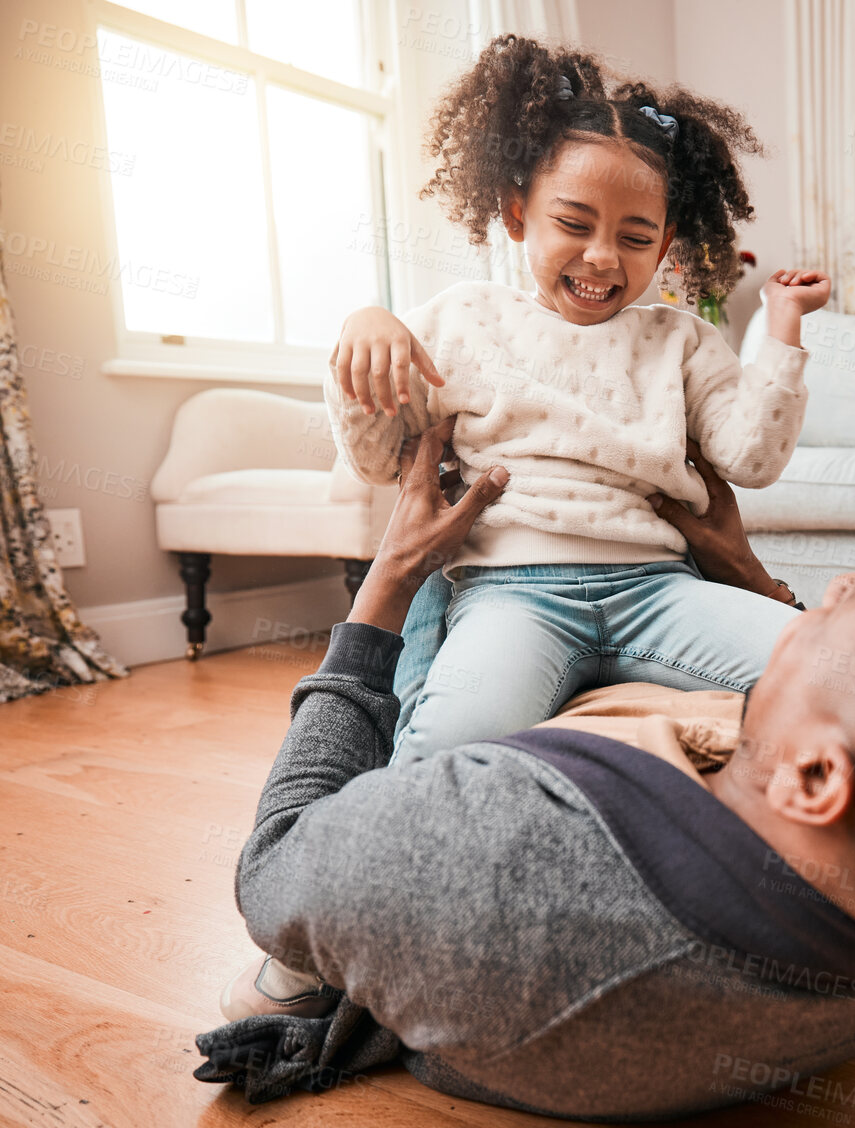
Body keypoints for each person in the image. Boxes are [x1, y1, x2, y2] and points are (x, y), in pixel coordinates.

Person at [196, 421, 855, 1121]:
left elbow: (275, 869)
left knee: (428, 637)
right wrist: (743, 570)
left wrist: (388, 582)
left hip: (471, 927)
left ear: (814, 781)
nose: (833, 587)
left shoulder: (473, 852)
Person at [322, 35, 829, 769]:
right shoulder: (460, 316)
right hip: (509, 597)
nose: (601, 256)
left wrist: (784, 325)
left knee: (832, 675)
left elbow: (751, 458)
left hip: (656, 588)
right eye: (573, 222)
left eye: (634, 237)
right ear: (517, 210)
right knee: (447, 755)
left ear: (664, 249)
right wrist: (361, 330)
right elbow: (374, 460)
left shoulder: (680, 339)